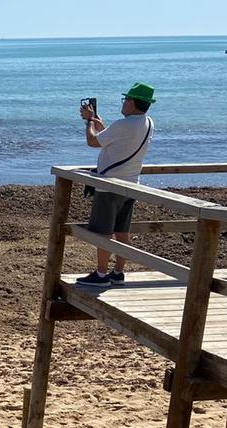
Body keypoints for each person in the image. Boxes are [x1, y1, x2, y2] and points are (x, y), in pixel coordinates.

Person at [75, 82, 156, 287]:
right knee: (122, 232)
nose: (123, 103)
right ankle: (118, 273)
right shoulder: (147, 123)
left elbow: (93, 142)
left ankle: (101, 275)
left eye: (125, 99)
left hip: (109, 185)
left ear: (132, 103)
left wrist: (88, 123)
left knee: (104, 232)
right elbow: (113, 139)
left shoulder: (124, 124)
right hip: (130, 184)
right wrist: (97, 122)